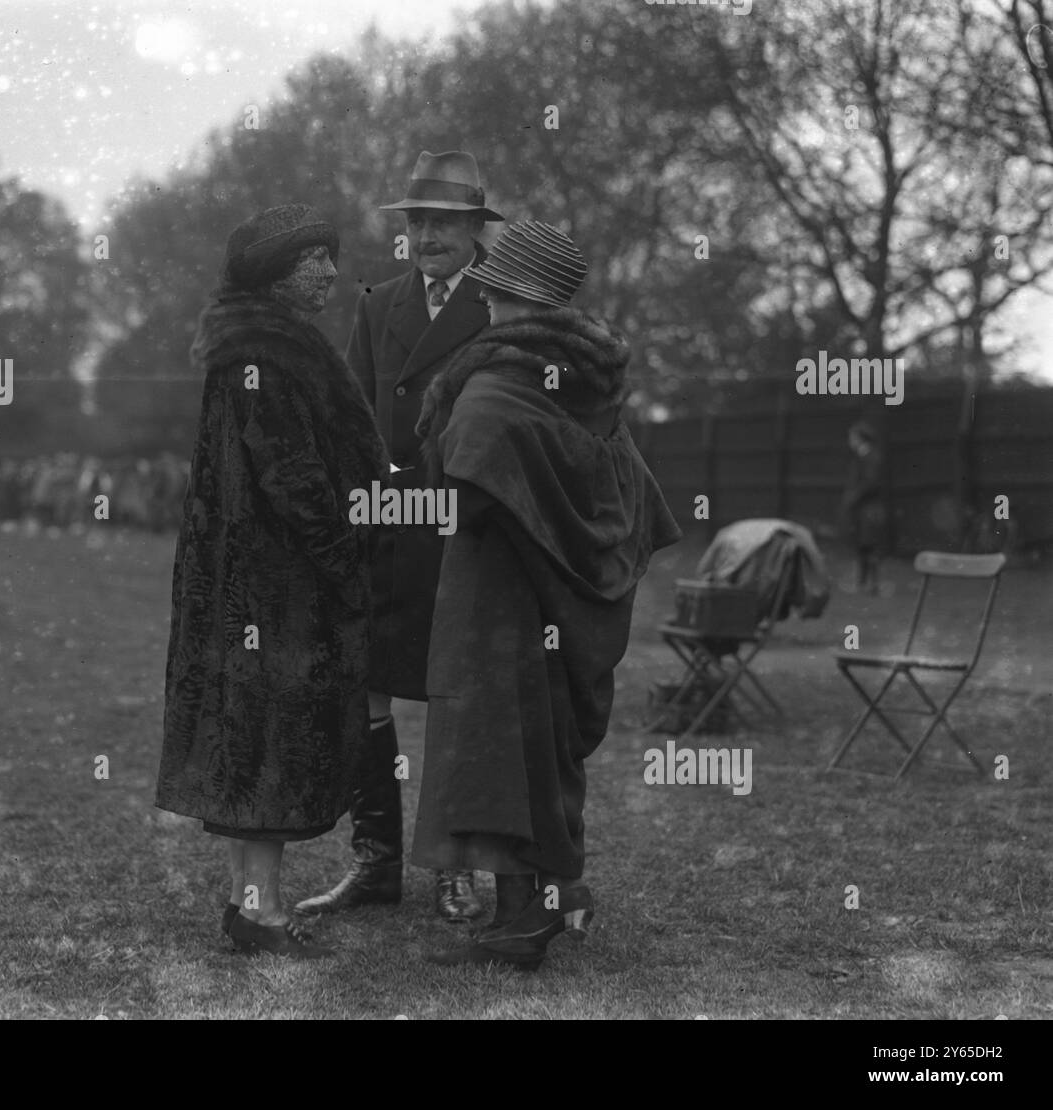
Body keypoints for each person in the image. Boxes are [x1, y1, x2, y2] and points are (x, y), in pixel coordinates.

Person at [410, 222, 682, 969]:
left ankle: (524, 918)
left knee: (492, 749)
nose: (485, 299)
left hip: (496, 599)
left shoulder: (497, 389)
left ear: (505, 296)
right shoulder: (588, 386)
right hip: (557, 605)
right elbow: (628, 500)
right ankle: (552, 896)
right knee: (542, 746)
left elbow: (466, 489)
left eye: (491, 288)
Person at [155, 205, 390, 960]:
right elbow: (291, 474)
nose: (326, 271)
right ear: (270, 275)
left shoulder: (257, 343)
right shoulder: (267, 352)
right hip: (274, 587)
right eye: (308, 260)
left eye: (328, 256)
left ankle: (246, 903)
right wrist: (345, 555)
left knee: (250, 747)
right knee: (268, 753)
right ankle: (260, 913)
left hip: (249, 581)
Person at [297, 151, 503, 923]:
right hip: (386, 527)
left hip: (465, 530)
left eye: (442, 224)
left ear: (474, 230)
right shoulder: (378, 305)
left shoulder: (502, 304)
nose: (427, 237)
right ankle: (376, 862)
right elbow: (350, 416)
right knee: (365, 690)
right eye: (416, 223)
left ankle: (455, 868)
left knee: (457, 698)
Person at [841, 420, 886, 594]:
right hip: (864, 508)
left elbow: (871, 483)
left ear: (860, 438)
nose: (850, 440)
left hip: (869, 508)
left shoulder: (871, 456)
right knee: (863, 546)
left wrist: (853, 497)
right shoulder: (863, 457)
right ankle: (863, 583)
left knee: (869, 546)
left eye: (852, 437)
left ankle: (870, 584)